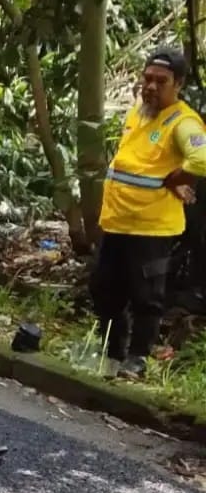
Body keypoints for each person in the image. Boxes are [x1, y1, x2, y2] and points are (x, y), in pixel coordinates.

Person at [92, 47, 206, 380]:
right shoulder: (138, 114)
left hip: (151, 227)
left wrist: (177, 179)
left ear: (178, 84)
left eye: (161, 81)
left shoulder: (183, 121)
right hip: (117, 221)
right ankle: (112, 355)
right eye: (148, 79)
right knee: (104, 289)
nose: (151, 86)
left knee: (147, 297)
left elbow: (201, 159)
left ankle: (137, 359)